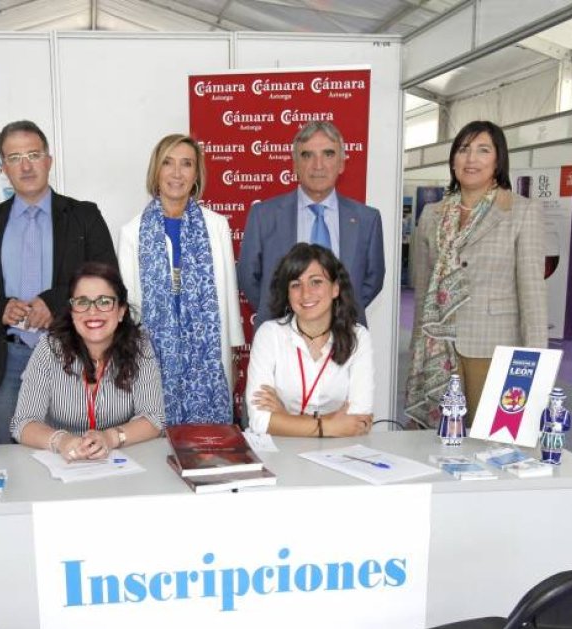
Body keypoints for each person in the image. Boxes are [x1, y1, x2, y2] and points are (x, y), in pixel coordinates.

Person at [0, 120, 116, 444]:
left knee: (79, 454)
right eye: (14, 158)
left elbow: (107, 277)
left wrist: (55, 303)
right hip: (6, 362)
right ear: (3, 168)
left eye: (34, 154)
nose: (25, 166)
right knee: (11, 461)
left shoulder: (84, 216)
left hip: (72, 354)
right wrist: (0, 308)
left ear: (48, 160)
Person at [405, 121, 546, 429]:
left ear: (498, 160)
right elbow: (424, 287)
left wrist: (537, 363)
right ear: (453, 159)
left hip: (493, 346)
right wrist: (418, 344)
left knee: (494, 441)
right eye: (464, 149)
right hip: (438, 350)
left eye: (483, 150)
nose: (471, 159)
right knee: (438, 439)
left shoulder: (521, 211)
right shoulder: (432, 214)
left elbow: (533, 293)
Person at [118, 133, 242, 425]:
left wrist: (234, 350)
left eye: (186, 164)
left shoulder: (217, 225)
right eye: (168, 163)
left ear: (196, 173)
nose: (176, 173)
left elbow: (228, 295)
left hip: (209, 356)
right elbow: (129, 309)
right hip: (153, 356)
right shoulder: (132, 232)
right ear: (156, 171)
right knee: (155, 442)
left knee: (209, 444)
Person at [238, 120, 385, 326]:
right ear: (295, 164)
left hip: (344, 335)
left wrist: (338, 311)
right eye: (307, 155)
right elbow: (248, 278)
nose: (318, 165)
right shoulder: (263, 215)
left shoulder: (367, 219)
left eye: (328, 154)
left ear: (342, 163)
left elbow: (373, 280)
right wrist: (282, 313)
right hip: (281, 337)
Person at [12, 263, 164, 459]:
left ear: (120, 311)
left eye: (104, 301)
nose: (92, 312)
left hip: (120, 460)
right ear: (72, 311)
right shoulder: (49, 348)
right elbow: (23, 423)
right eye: (82, 302)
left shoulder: (139, 346)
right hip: (62, 460)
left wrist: (109, 438)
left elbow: (154, 419)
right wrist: (63, 441)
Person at [245, 243, 373, 437]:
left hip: (340, 454)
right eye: (296, 285)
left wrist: (285, 417)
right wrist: (329, 426)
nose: (306, 293)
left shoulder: (358, 337)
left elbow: (359, 419)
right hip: (281, 452)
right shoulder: (269, 334)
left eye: (316, 282)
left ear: (335, 288)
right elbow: (259, 420)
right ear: (287, 294)